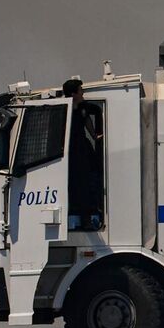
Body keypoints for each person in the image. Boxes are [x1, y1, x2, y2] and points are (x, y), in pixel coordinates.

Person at [62, 77, 104, 231]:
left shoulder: (83, 108)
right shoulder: (64, 110)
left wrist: (94, 136)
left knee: (88, 179)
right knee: (75, 183)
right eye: (81, 91)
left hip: (81, 147)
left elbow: (87, 122)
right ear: (73, 94)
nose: (83, 94)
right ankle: (78, 214)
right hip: (71, 150)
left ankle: (89, 214)